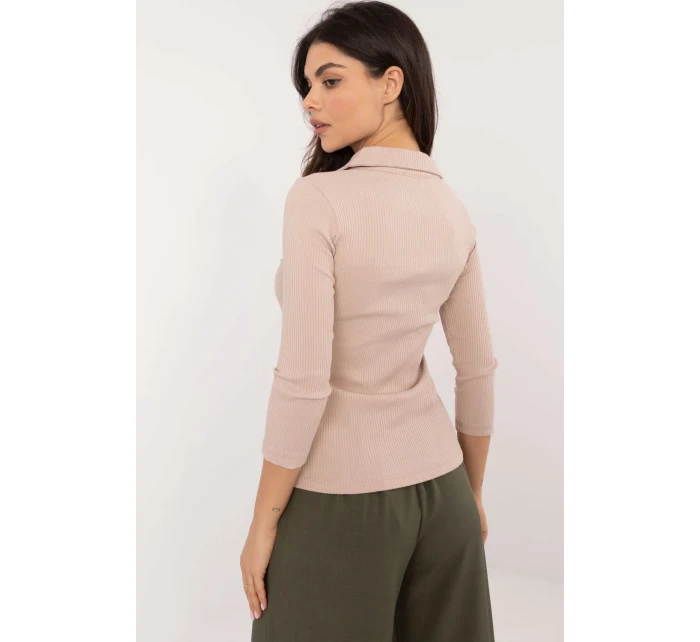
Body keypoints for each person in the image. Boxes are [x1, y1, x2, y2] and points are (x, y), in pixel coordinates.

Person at [240, 2, 499, 640]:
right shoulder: (451, 209)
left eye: (330, 80)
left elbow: (304, 377)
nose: (310, 101)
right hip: (444, 494)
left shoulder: (317, 199)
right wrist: (471, 493)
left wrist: (264, 522)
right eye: (306, 86)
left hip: (341, 499)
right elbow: (478, 370)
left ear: (391, 83)